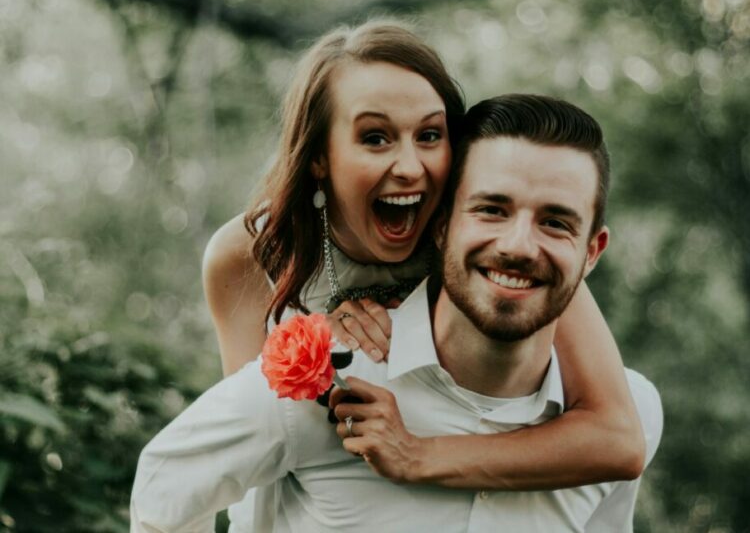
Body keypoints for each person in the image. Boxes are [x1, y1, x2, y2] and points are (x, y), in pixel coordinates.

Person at [131, 94, 663, 532]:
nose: (519, 245)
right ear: (439, 225)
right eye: (491, 209)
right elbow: (162, 494)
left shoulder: (629, 411)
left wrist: (420, 455)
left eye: (555, 223)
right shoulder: (321, 386)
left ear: (592, 252)